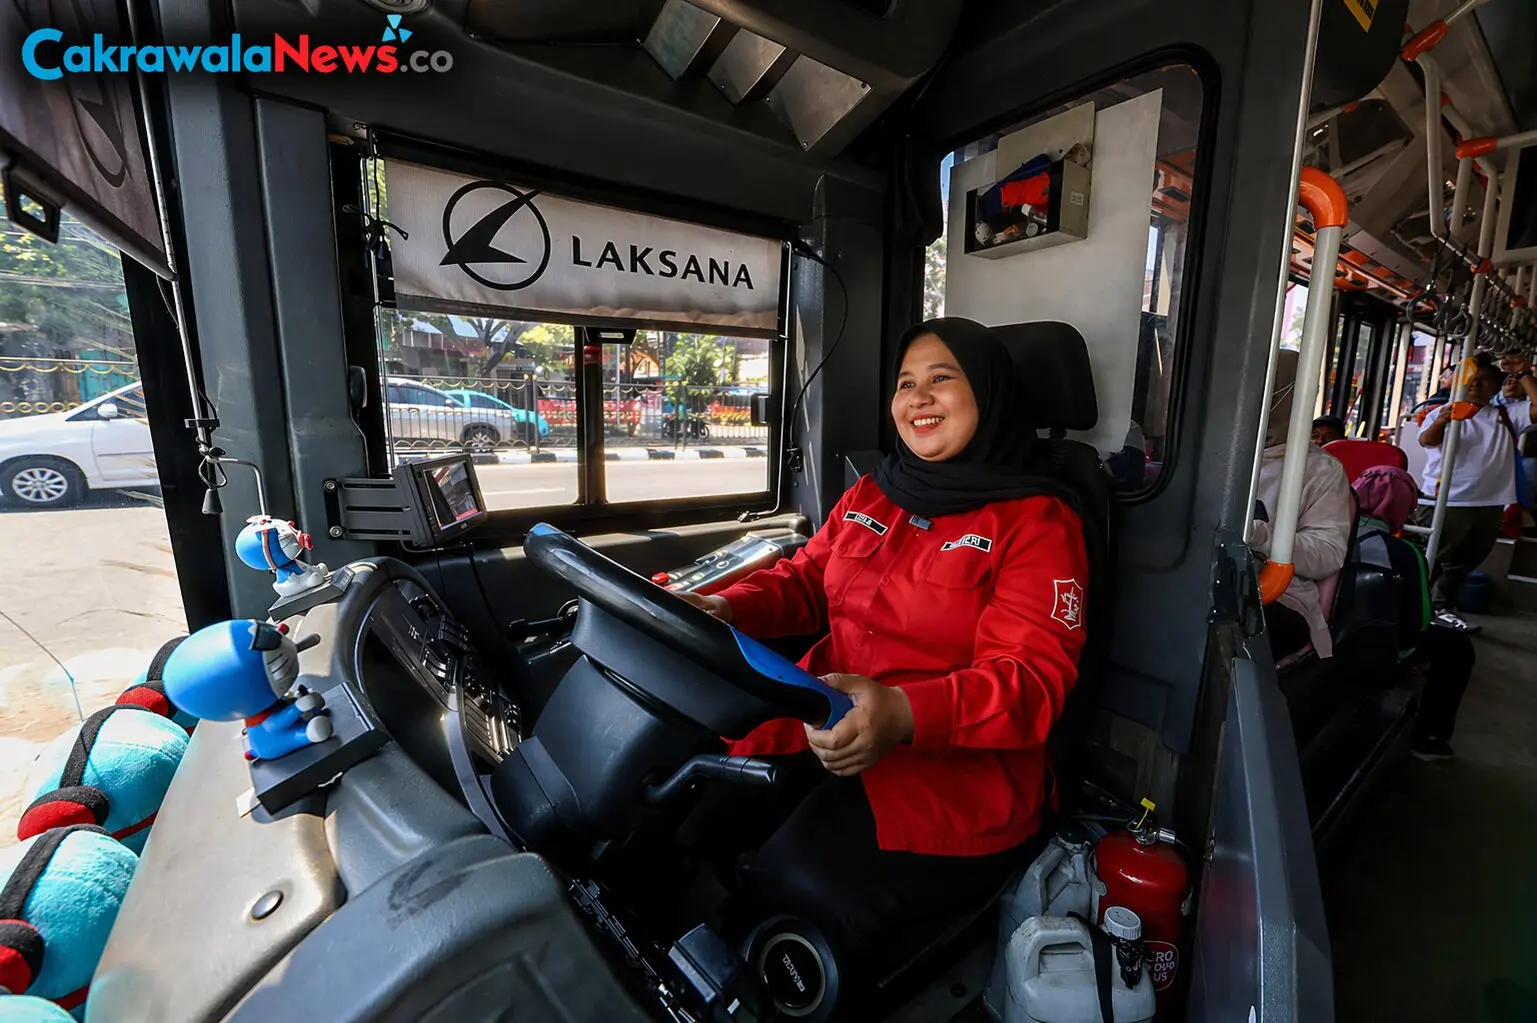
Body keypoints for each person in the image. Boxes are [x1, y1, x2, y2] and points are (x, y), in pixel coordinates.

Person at [680, 318, 1089, 994]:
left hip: (953, 778)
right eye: (905, 383)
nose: (916, 398)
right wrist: (732, 605)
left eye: (940, 379)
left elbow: (1030, 682)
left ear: (988, 394)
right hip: (824, 723)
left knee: (792, 885)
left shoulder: (1038, 523)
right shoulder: (876, 490)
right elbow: (807, 579)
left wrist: (901, 711)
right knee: (692, 815)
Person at [1352, 466, 1477, 762]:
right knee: (1457, 647)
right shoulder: (1406, 553)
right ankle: (1428, 738)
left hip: (1321, 636)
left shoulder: (1322, 533)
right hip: (1373, 651)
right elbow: (1418, 622)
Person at [1411, 352, 1537, 630]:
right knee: (1432, 560)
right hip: (1447, 501)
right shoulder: (1441, 411)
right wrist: (1444, 419)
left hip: (1490, 503)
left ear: (1495, 386)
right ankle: (1415, 611)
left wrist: (1525, 373)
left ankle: (1443, 609)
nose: (1477, 385)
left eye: (1484, 380)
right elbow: (1427, 441)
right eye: (1471, 380)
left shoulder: (1506, 415)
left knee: (1463, 563)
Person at [1251, 350, 1354, 660]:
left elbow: (1328, 552)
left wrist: (1263, 537)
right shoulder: (1213, 450)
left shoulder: (1320, 470)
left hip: (1279, 596)